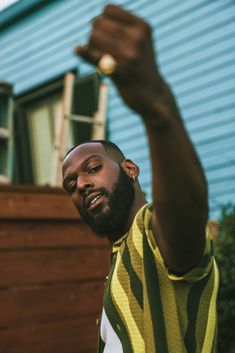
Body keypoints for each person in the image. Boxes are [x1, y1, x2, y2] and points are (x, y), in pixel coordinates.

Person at [62, 4, 219, 353]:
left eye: (92, 169)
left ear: (130, 170)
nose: (82, 185)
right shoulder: (119, 260)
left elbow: (184, 220)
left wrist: (157, 109)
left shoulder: (153, 235)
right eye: (71, 185)